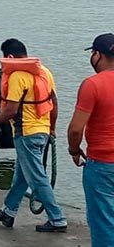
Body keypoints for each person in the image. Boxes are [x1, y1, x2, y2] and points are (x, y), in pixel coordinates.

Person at [0, 38, 67, 232]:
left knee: (37, 178)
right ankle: (9, 212)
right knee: (21, 177)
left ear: (9, 56)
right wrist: (52, 128)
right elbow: (53, 103)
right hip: (42, 131)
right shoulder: (44, 72)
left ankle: (57, 219)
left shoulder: (16, 77)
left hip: (26, 134)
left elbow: (11, 110)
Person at [67, 33, 114, 247]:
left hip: (102, 164)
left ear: (98, 55)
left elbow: (76, 129)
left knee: (103, 222)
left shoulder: (92, 84)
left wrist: (74, 150)